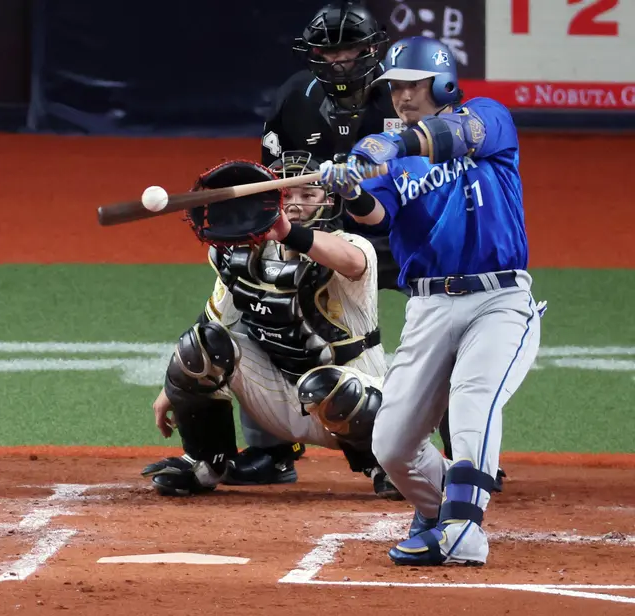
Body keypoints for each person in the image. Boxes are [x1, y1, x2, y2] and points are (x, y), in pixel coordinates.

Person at [231, 0, 480, 488]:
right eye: (327, 53)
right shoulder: (295, 98)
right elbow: (278, 179)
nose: (339, 62)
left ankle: (463, 457)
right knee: (263, 303)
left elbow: (449, 160)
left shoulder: (405, 97)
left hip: (406, 231)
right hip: (322, 237)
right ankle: (273, 451)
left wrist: (377, 167)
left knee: (449, 326)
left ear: (372, 50)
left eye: (349, 51)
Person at [320, 36, 545, 565]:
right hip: (428, 307)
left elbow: (456, 135)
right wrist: (350, 189)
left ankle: (463, 532)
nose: (401, 97)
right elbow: (377, 217)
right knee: (392, 445)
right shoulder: (386, 154)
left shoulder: (489, 118)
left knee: (472, 400)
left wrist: (391, 146)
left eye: (412, 85)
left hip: (498, 299)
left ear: (442, 83)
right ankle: (436, 508)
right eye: (394, 87)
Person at [141, 151, 402, 500]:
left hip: (354, 401)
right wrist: (175, 387)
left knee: (329, 386)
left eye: (308, 194)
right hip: (279, 400)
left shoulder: (354, 245)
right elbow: (213, 324)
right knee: (199, 345)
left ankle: (388, 465)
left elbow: (351, 262)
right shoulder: (241, 256)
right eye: (286, 194)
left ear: (328, 200)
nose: (294, 204)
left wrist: (287, 232)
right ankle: (207, 462)